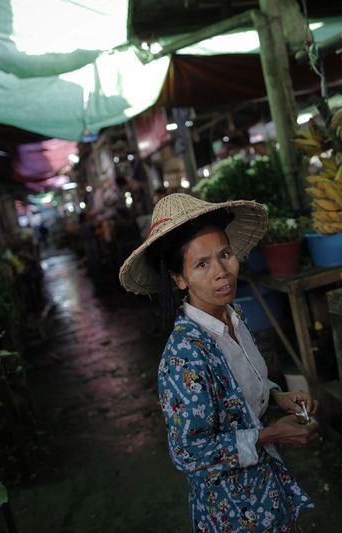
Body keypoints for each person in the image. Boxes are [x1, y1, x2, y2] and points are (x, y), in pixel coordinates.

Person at [119, 193, 318, 532]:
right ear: (179, 279)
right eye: (202, 264)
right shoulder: (183, 357)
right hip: (233, 512)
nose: (222, 272)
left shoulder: (233, 316)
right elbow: (188, 453)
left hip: (270, 491)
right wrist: (269, 435)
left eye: (225, 255)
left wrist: (276, 396)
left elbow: (237, 387)